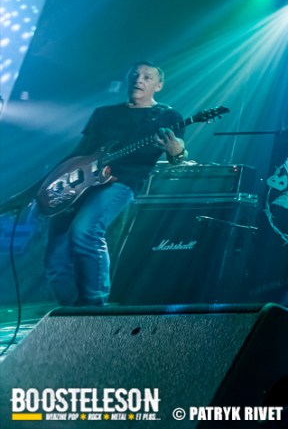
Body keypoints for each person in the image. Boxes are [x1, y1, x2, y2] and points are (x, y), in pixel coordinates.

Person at [11, 62, 187, 306]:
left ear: (159, 85)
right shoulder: (104, 113)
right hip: (80, 182)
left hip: (121, 182)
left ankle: (95, 307)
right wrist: (36, 189)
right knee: (55, 261)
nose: (139, 79)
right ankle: (72, 314)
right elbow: (78, 153)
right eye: (135, 74)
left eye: (147, 77)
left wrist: (177, 152)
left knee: (85, 231)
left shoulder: (168, 116)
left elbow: (178, 155)